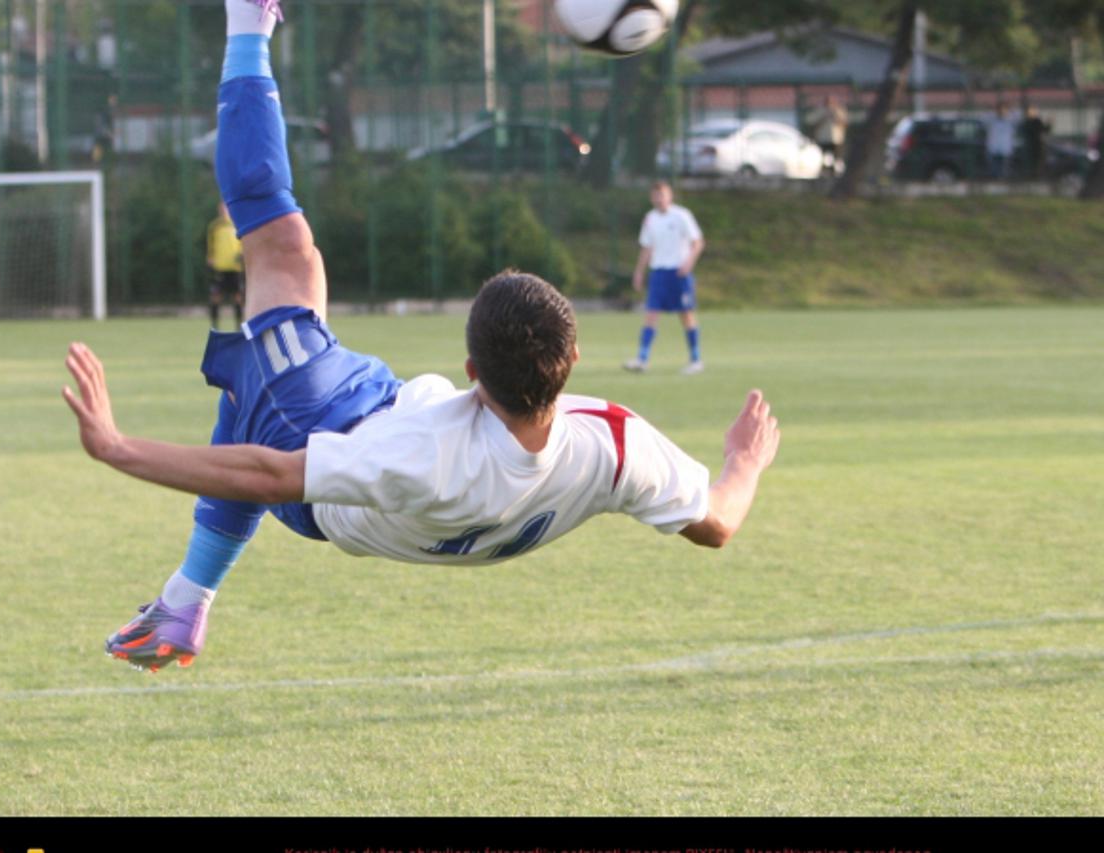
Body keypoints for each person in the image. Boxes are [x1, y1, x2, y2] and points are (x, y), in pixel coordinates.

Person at [62, 0, 781, 673]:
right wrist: (743, 463)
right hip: (384, 413)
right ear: (571, 360)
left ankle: (247, 18)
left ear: (471, 369)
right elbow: (717, 522)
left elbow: (271, 475)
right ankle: (184, 599)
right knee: (275, 338)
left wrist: (117, 447)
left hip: (331, 467)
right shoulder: (616, 449)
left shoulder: (428, 454)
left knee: (280, 252)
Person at [624, 181, 706, 375]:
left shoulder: (682, 215)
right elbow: (647, 247)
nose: (659, 199)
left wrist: (688, 263)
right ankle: (642, 359)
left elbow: (698, 242)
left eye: (662, 195)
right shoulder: (650, 219)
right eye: (655, 195)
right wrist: (639, 271)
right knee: (651, 314)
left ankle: (696, 360)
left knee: (686, 315)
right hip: (659, 273)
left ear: (670, 196)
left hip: (678, 273)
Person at [206, 202, 245, 329]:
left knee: (238, 297)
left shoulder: (238, 224)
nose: (224, 211)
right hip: (220, 267)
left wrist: (242, 254)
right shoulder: (214, 226)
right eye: (222, 209)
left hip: (235, 267)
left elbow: (243, 242)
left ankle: (239, 326)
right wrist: (210, 257)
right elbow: (210, 244)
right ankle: (215, 326)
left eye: (226, 208)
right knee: (215, 297)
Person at [808, 94, 848, 175]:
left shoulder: (838, 110)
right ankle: (823, 172)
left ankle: (836, 172)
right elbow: (811, 121)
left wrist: (835, 117)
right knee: (823, 157)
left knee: (836, 157)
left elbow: (844, 122)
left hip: (836, 139)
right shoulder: (820, 110)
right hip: (823, 138)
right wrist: (824, 117)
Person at [1018, 105, 1050, 181]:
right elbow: (1024, 132)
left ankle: (1037, 176)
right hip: (1029, 146)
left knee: (1039, 162)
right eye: (1029, 112)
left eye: (1032, 111)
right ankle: (1029, 176)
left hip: (1038, 145)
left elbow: (1045, 130)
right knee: (1029, 162)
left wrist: (1049, 123)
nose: (1031, 113)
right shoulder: (1025, 123)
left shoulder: (1038, 121)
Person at [986, 102, 1017, 180]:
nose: (1001, 111)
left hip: (1005, 148)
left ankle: (1003, 180)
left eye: (1004, 109)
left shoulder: (1010, 120)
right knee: (994, 169)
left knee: (1005, 170)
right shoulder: (992, 120)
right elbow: (985, 118)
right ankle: (995, 180)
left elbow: (1017, 117)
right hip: (994, 148)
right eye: (1000, 109)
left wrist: (1011, 111)